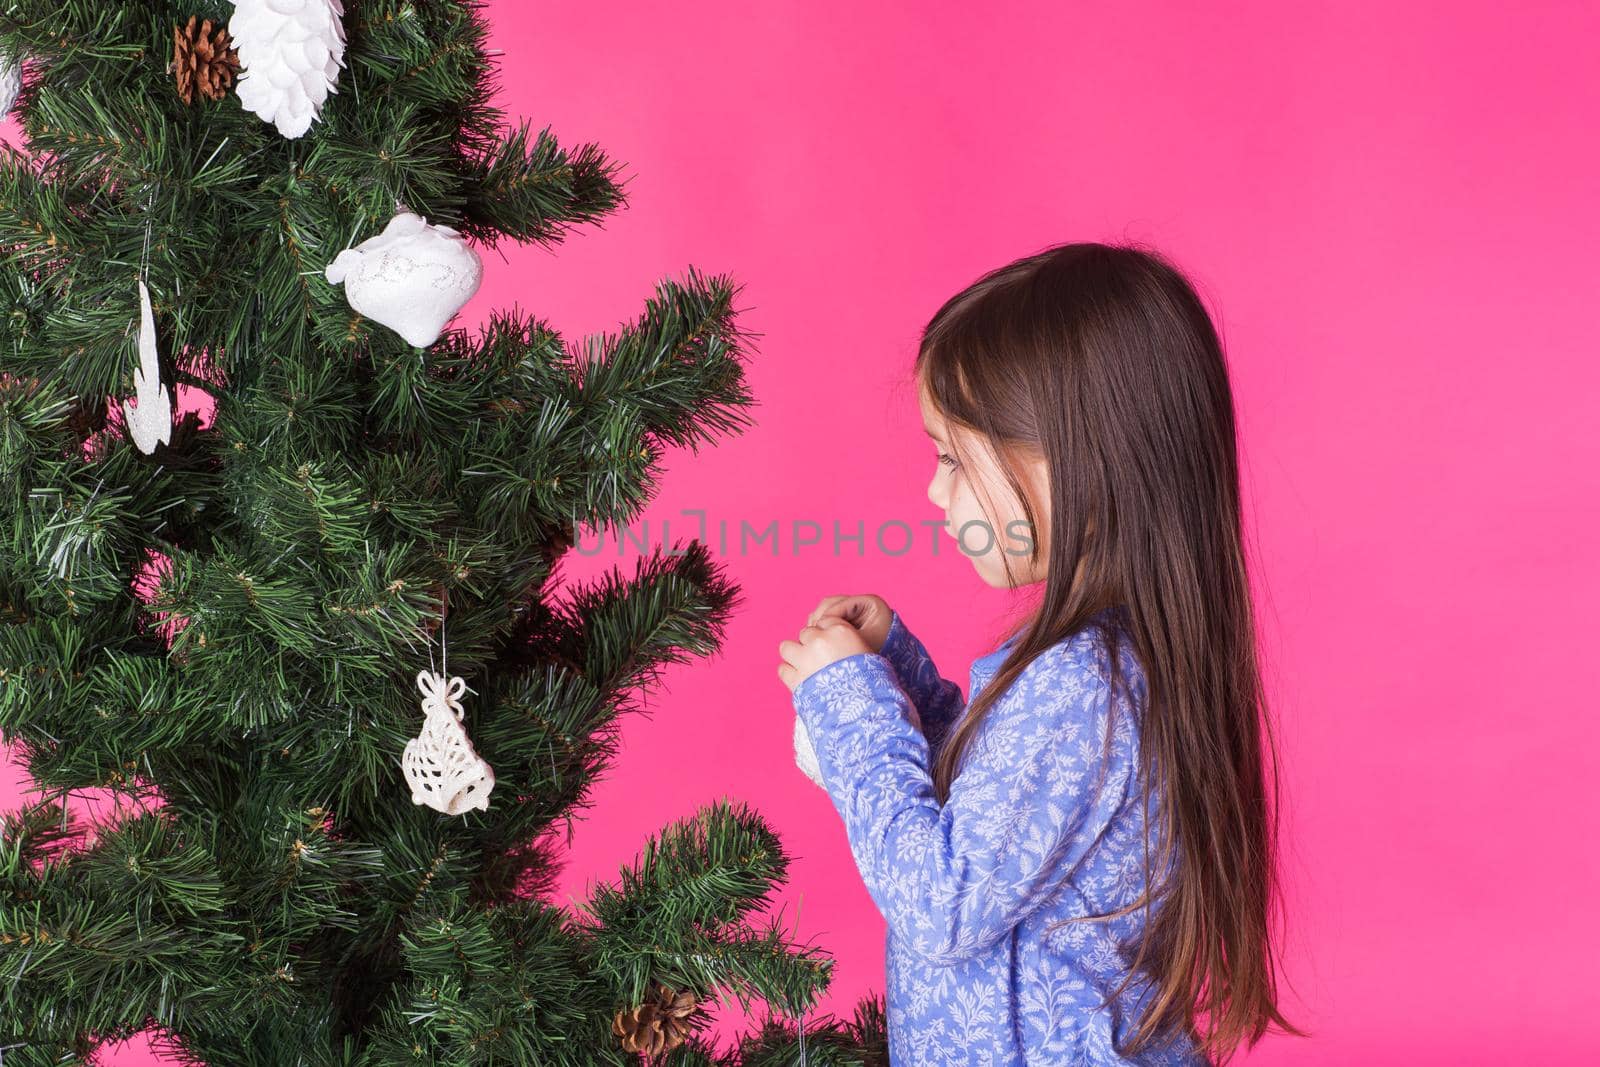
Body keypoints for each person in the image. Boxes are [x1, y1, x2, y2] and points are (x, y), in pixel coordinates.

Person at [777, 242, 1305, 1064]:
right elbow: (1007, 813)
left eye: (954, 457)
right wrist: (901, 671)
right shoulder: (1101, 666)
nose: (932, 489)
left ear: (1077, 467)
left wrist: (853, 706)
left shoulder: (1079, 683)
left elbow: (943, 902)